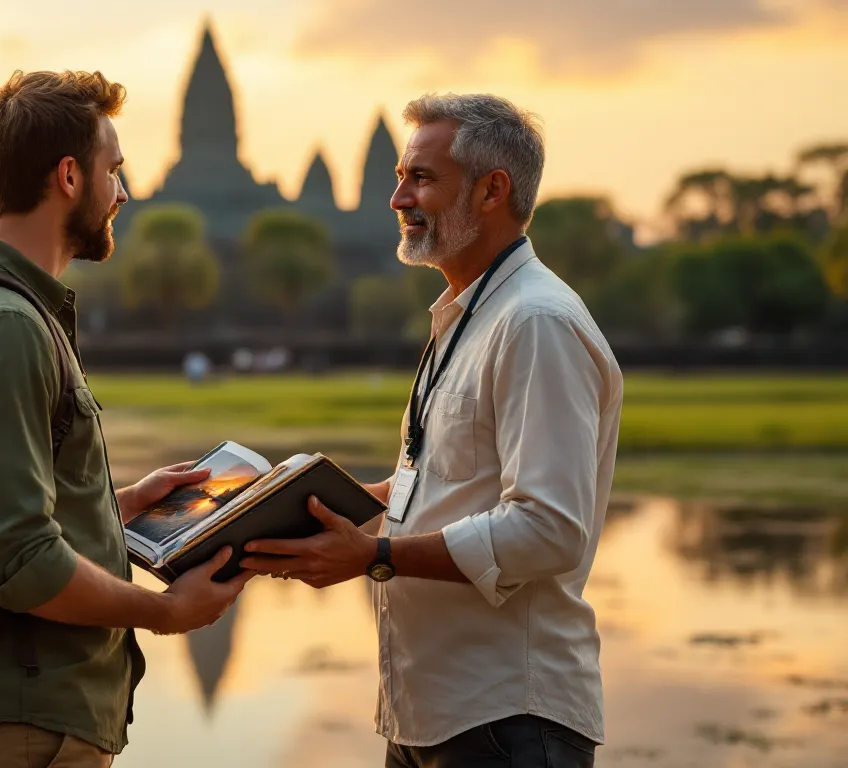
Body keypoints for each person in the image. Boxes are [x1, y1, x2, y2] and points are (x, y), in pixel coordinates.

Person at [242, 93, 623, 767]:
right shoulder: (469, 315)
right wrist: (307, 506)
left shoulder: (535, 322)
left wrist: (375, 556)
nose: (398, 199)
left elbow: (549, 529)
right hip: (430, 713)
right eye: (399, 177)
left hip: (509, 716)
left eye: (421, 179)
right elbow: (436, 483)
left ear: (491, 191)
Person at [0, 70, 254, 768]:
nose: (123, 193)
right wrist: (165, 611)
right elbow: (18, 563)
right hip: (22, 727)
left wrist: (118, 507)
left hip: (33, 721)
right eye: (113, 170)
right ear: (69, 177)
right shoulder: (3, 327)